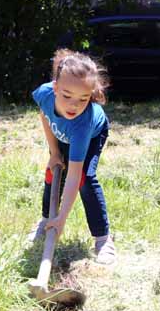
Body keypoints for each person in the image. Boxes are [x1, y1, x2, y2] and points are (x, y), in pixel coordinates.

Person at [29, 49, 116, 265]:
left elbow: (74, 175)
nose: (74, 105)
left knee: (85, 178)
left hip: (91, 135)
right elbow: (45, 116)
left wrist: (63, 219)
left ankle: (103, 239)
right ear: (55, 88)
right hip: (62, 134)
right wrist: (55, 152)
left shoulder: (83, 122)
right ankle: (46, 220)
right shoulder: (44, 94)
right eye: (67, 96)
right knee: (53, 170)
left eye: (83, 99)